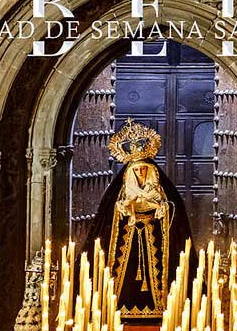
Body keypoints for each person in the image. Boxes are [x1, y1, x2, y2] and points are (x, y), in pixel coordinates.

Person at [83, 119, 195, 320]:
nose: (141, 173)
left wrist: (162, 209)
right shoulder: (120, 194)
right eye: (136, 170)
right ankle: (116, 306)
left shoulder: (161, 192)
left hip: (154, 238)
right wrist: (125, 208)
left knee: (158, 274)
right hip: (129, 238)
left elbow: (174, 214)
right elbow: (109, 218)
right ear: (130, 173)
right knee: (124, 276)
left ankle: (162, 307)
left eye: (144, 169)